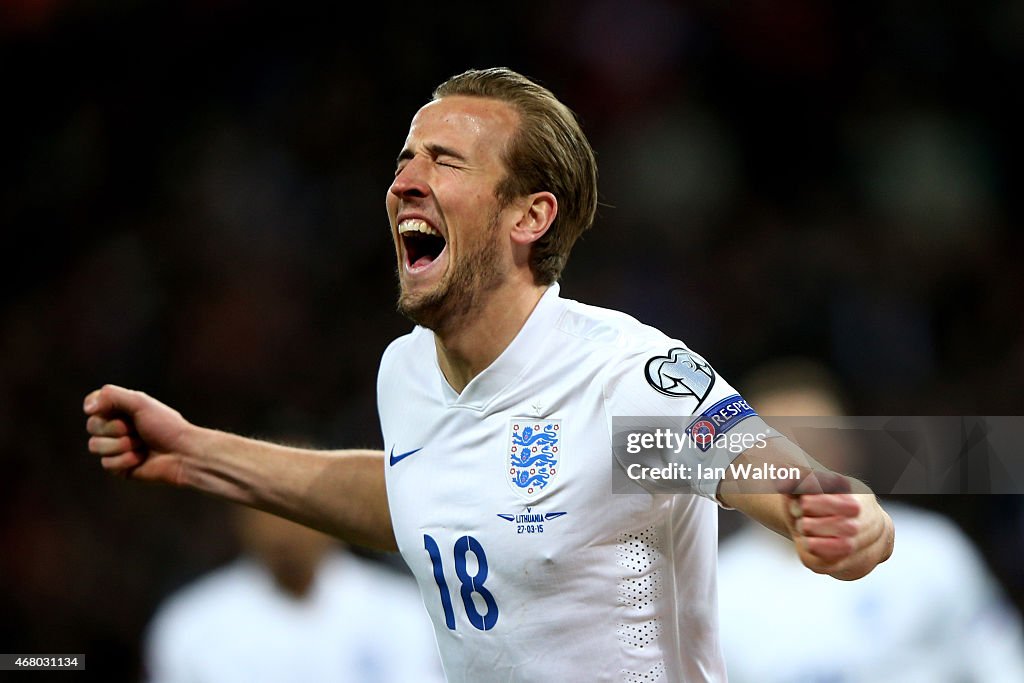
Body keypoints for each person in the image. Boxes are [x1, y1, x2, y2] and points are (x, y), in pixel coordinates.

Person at [84, 67, 894, 682]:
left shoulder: (622, 379)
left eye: (445, 161)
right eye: (405, 159)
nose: (406, 180)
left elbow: (754, 462)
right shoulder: (404, 373)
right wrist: (195, 453)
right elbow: (420, 497)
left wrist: (839, 513)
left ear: (528, 216)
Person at [716, 357, 1024, 682]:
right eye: (783, 449)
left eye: (816, 442)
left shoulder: (931, 548)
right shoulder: (718, 591)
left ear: (848, 445)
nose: (802, 470)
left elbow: (1001, 662)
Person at [144, 506, 446, 683]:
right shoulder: (189, 625)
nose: (284, 528)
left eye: (296, 507)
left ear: (334, 509)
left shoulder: (405, 611)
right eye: (268, 509)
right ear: (240, 517)